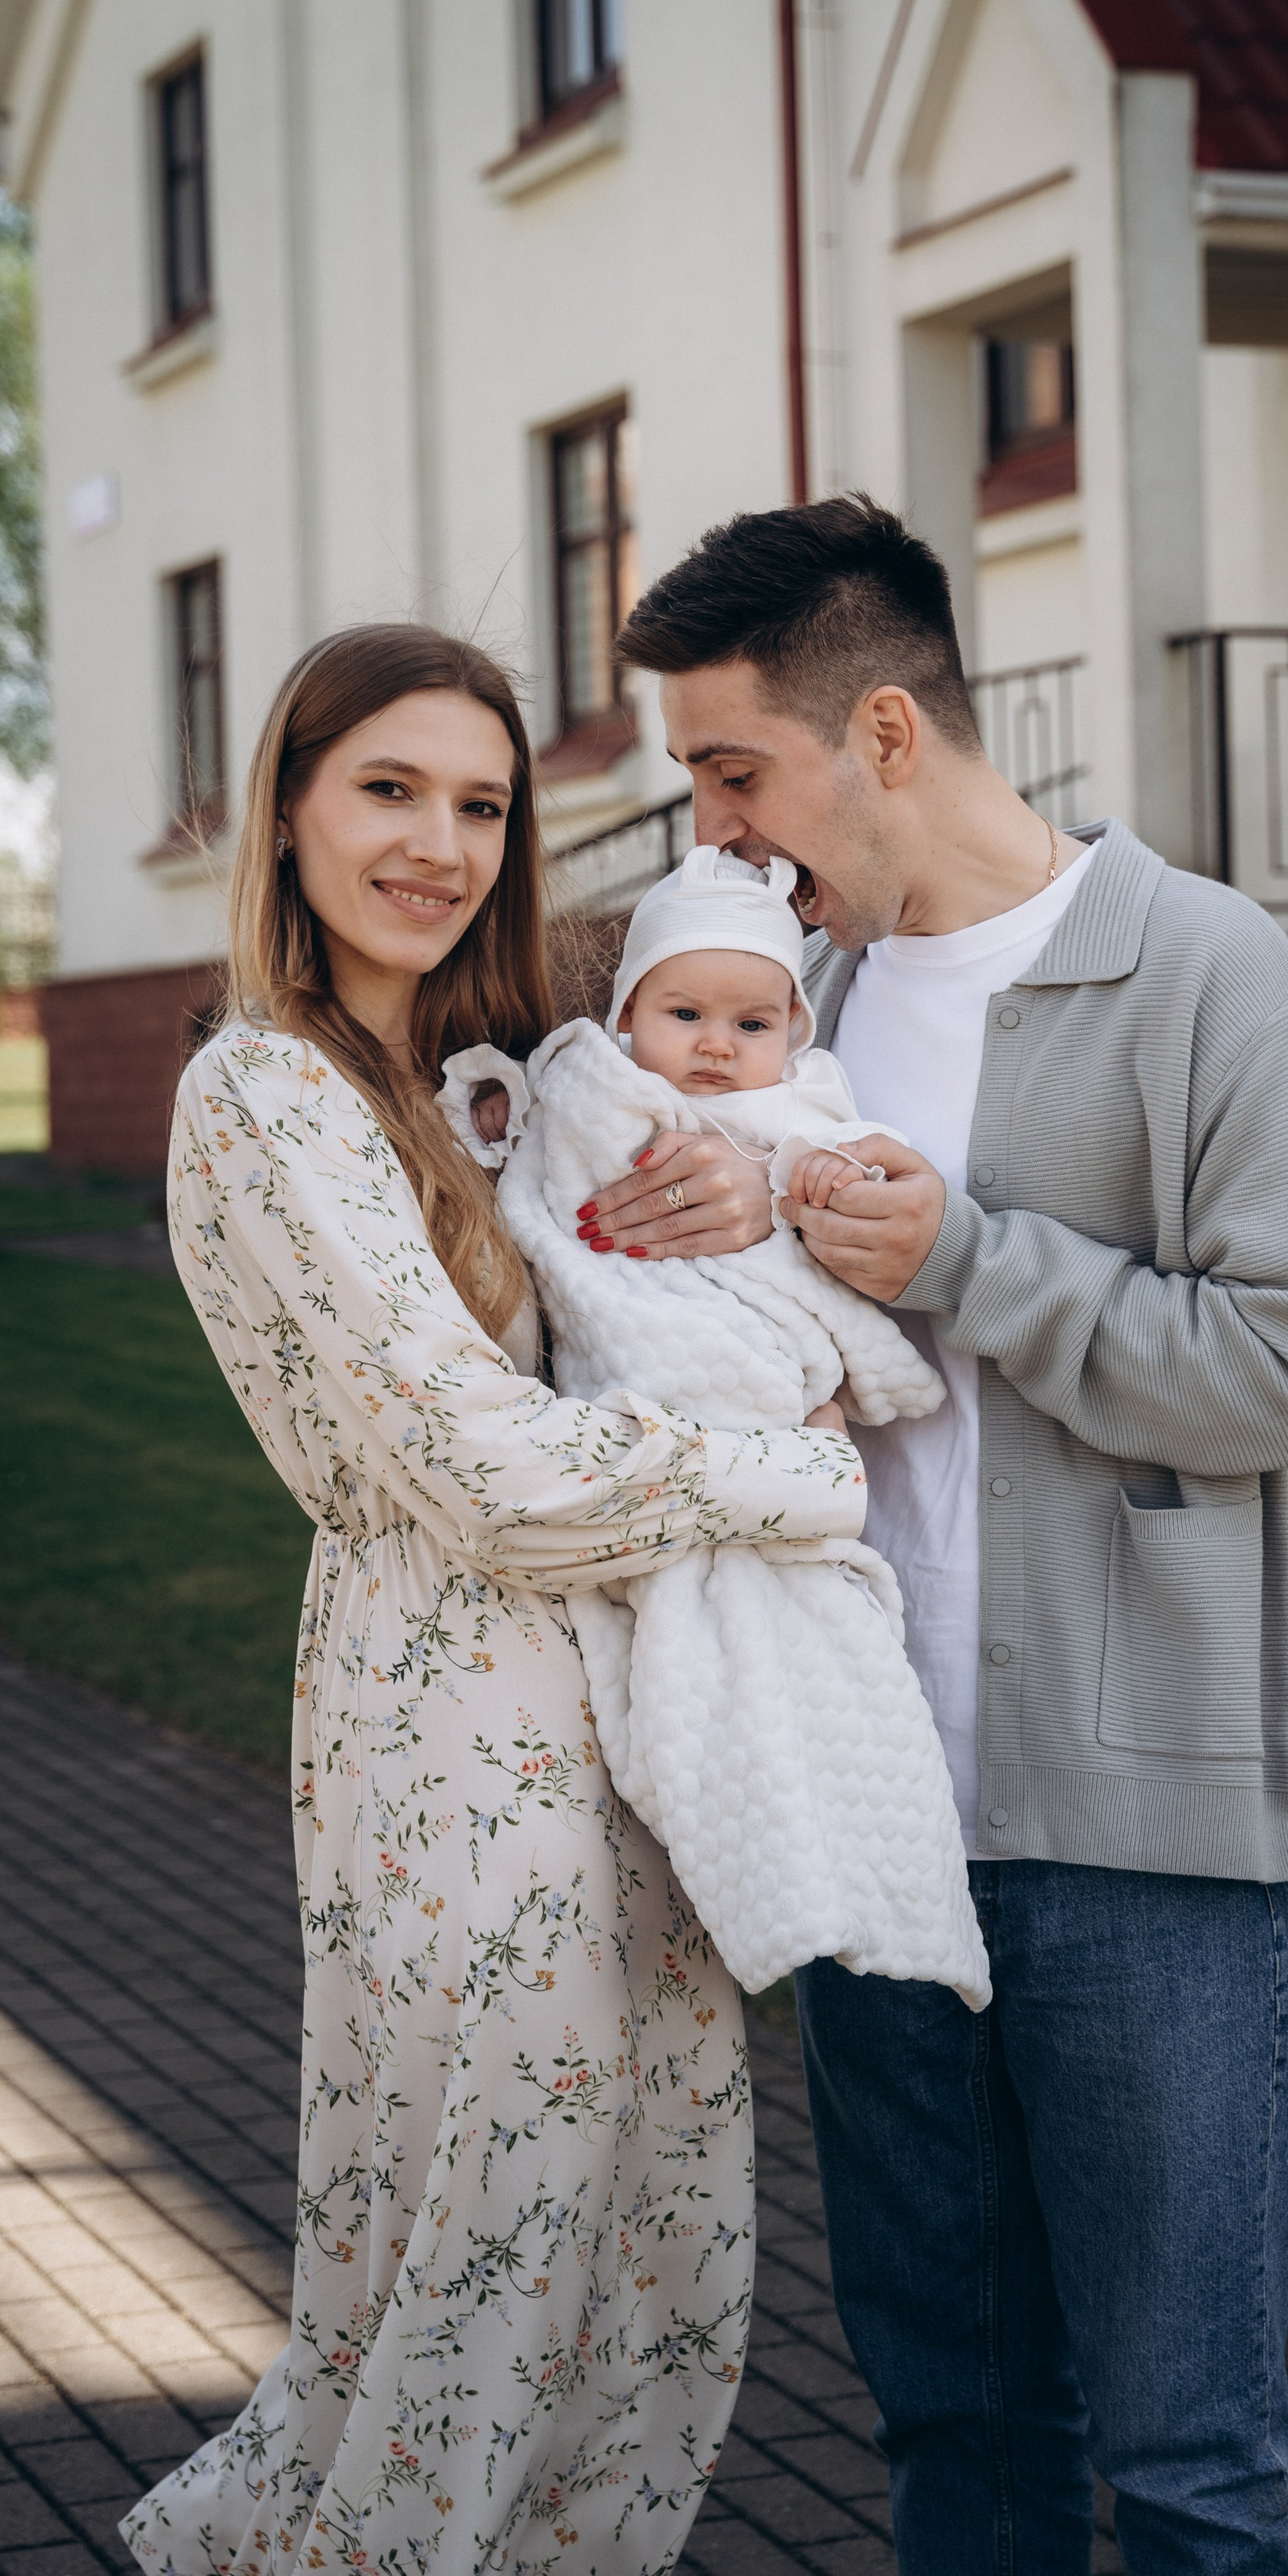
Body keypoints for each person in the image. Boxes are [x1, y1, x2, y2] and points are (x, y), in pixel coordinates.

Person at [599, 497, 1288, 2576]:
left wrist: (970, 1261)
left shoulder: (1195, 965)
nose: (726, 834)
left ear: (879, 731)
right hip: (876, 1828)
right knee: (960, 2430)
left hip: (1144, 1836)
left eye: (735, 773)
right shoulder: (797, 1011)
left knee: (1194, 2458)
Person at [118, 625, 867, 2576]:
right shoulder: (265, 1097)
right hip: (452, 1735)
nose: (440, 841)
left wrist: (728, 1212)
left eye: (479, 802)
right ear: (285, 808)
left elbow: (646, 1283)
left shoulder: (472, 1094)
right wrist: (801, 1480)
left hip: (622, 1725)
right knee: (475, 2284)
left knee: (650, 2263)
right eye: (388, 789)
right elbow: (484, 1469)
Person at [433, 845, 988, 2010]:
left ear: (793, 1026)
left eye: (750, 1022)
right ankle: (775, 1872)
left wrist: (784, 1187)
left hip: (764, 1388)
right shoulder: (597, 1090)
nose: (717, 1047)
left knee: (828, 1671)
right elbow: (527, 1157)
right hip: (648, 1382)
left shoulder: (809, 1110)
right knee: (700, 1654)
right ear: (627, 1012)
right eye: (683, 1012)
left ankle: (862, 1883)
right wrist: (497, 1114)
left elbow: (837, 1213)